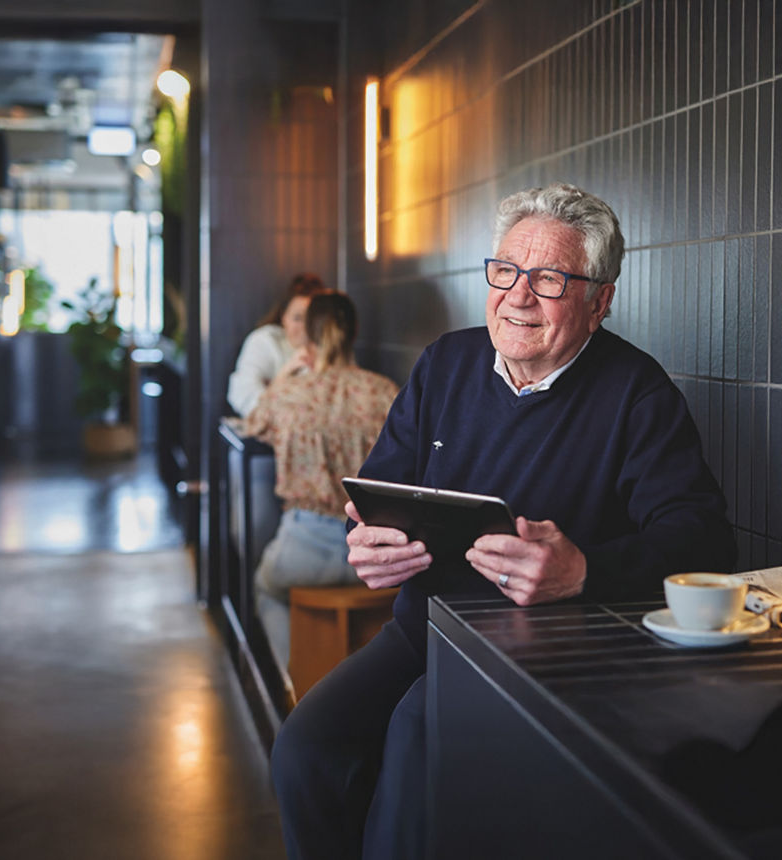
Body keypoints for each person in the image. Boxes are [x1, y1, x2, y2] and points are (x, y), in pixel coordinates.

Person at [269, 183, 738, 860]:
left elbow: (701, 537)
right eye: (506, 271)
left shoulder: (637, 392)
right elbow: (377, 498)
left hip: (545, 647)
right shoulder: (446, 364)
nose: (519, 296)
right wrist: (364, 545)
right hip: (424, 627)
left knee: (413, 740)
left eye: (549, 279)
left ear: (599, 299)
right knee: (305, 752)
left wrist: (584, 570)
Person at [243, 291, 399, 672]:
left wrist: (285, 375)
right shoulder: (384, 391)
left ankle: (294, 687)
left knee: (265, 588)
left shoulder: (290, 394)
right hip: (372, 554)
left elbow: (253, 423)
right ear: (354, 331)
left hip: (303, 550)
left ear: (306, 337)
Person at [227, 272, 330, 417]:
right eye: (298, 318)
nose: (306, 327)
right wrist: (284, 375)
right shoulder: (265, 341)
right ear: (284, 318)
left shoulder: (330, 347)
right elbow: (243, 397)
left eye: (312, 319)